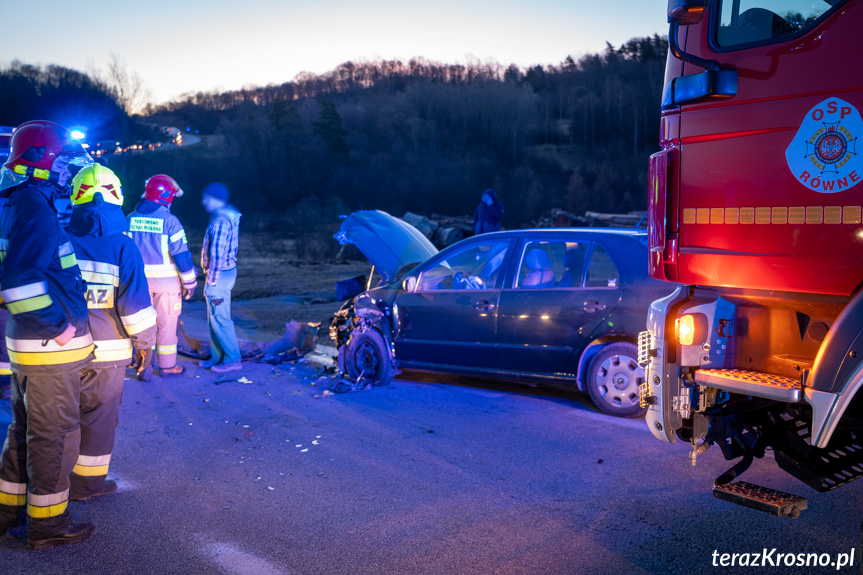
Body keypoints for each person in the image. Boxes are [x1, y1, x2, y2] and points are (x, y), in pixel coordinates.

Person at [0, 120, 96, 549]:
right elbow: (18, 281)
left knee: (23, 435)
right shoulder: (33, 207)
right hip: (47, 352)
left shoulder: (14, 201)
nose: (67, 173)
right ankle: (49, 524)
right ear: (40, 162)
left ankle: (8, 512)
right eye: (62, 161)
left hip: (25, 347)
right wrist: (58, 328)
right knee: (53, 439)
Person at [66, 164, 157, 501]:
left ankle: (53, 482)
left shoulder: (60, 240)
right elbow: (134, 306)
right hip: (109, 355)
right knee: (98, 422)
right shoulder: (124, 246)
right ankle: (87, 485)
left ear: (75, 197)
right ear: (117, 195)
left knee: (60, 421)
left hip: (63, 351)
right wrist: (145, 345)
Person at [127, 175, 197, 378]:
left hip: (139, 284)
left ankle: (144, 365)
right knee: (167, 325)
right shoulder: (170, 221)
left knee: (141, 324)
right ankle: (167, 366)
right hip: (167, 286)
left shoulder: (130, 218)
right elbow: (182, 257)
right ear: (166, 197)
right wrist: (190, 282)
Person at [199, 183, 242, 373]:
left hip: (220, 274)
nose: (204, 202)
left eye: (206, 198)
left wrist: (212, 280)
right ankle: (219, 357)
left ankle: (232, 359)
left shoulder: (220, 222)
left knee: (220, 317)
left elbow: (217, 254)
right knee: (215, 318)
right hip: (226, 272)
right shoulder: (227, 217)